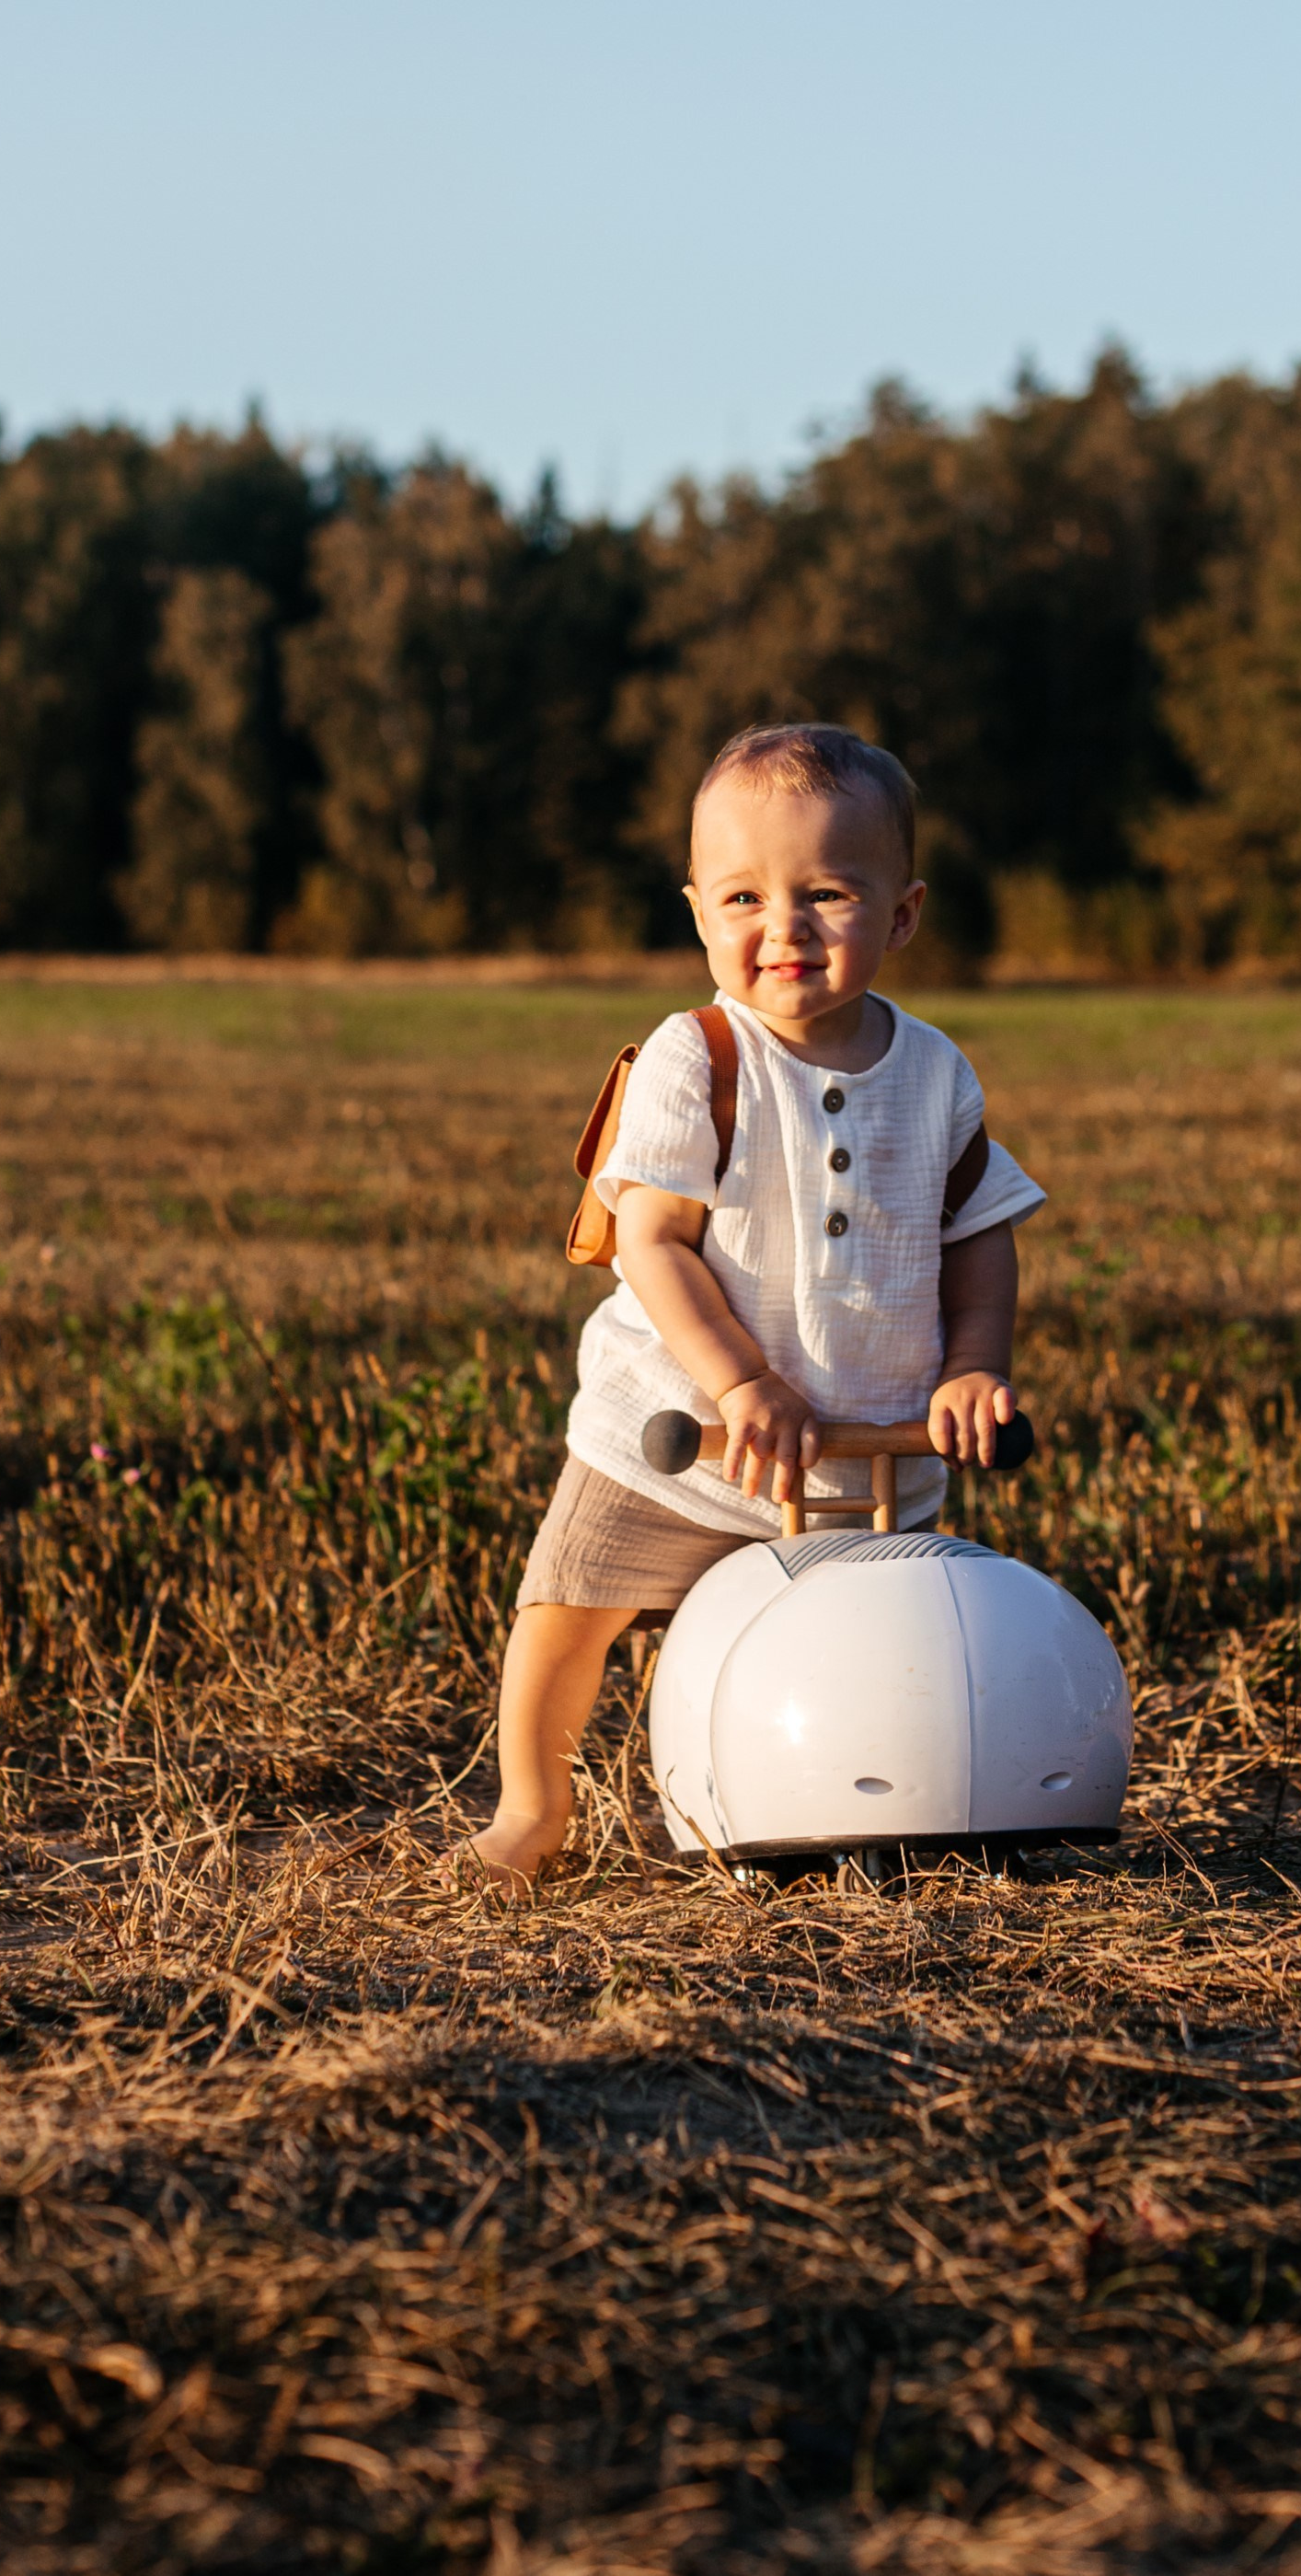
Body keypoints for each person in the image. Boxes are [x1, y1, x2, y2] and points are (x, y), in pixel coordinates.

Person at [454, 721, 1045, 1887]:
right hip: (677, 1431)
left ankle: (850, 1809)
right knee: (569, 1608)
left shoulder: (936, 1075)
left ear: (904, 914)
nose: (782, 928)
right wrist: (738, 1379)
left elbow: (978, 1236)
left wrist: (973, 1362)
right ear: (696, 912)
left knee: (878, 1661)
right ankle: (534, 1804)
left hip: (860, 1449)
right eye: (742, 897)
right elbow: (652, 1238)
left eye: (826, 892)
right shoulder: (698, 1056)